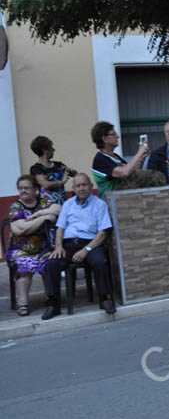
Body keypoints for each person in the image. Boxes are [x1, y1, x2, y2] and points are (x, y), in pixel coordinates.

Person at [41, 173, 115, 319]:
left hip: (91, 244)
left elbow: (103, 233)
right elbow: (60, 228)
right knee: (51, 264)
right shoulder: (68, 204)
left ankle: (104, 299)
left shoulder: (99, 204)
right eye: (78, 186)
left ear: (91, 186)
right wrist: (58, 247)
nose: (81, 188)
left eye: (84, 184)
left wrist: (85, 250)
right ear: (73, 189)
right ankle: (53, 304)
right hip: (68, 245)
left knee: (99, 262)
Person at [6, 174, 61, 316]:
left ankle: (50, 299)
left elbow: (59, 209)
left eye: (26, 188)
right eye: (20, 188)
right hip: (20, 250)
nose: (23, 191)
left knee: (51, 263)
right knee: (23, 266)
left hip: (43, 248)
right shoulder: (15, 206)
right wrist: (43, 218)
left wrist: (38, 214)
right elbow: (20, 229)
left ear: (35, 189)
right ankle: (22, 304)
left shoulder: (42, 202)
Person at [91, 121, 149, 197]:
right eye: (113, 134)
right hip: (109, 205)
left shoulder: (116, 157)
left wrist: (142, 158)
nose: (117, 136)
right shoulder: (100, 159)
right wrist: (139, 153)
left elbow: (133, 173)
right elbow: (124, 172)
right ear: (104, 139)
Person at [29, 135, 76, 204]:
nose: (54, 149)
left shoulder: (58, 164)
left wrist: (69, 170)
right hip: (47, 207)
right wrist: (62, 181)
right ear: (44, 150)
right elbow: (45, 184)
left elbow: (75, 174)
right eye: (51, 147)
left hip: (62, 203)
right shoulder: (36, 168)